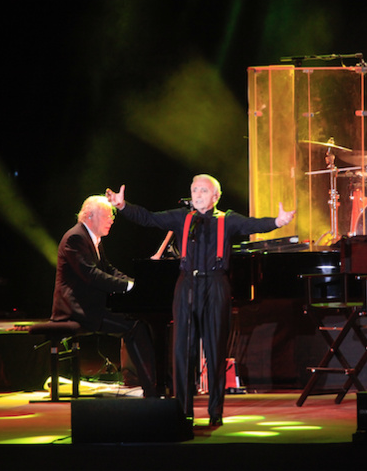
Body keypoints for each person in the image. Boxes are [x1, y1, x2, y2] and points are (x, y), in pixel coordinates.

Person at [107, 174, 295, 426]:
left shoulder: (227, 220)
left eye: (203, 191)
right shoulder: (182, 218)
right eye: (194, 190)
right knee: (183, 350)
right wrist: (123, 207)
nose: (197, 194)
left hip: (215, 283)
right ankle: (183, 410)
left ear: (216, 196)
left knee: (215, 349)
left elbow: (252, 225)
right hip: (187, 285)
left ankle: (215, 411)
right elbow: (149, 218)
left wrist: (277, 221)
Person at [51, 195, 158, 398]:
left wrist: (135, 284)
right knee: (134, 326)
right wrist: (127, 287)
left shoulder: (93, 239)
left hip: (91, 307)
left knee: (137, 323)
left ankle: (152, 383)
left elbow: (108, 269)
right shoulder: (75, 238)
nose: (112, 219)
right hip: (76, 310)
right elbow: (91, 275)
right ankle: (151, 387)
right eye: (108, 215)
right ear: (90, 215)